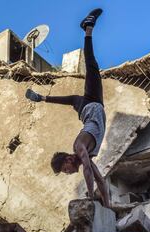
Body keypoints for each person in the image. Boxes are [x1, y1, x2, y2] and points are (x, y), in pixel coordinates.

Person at [25, 8, 110, 207]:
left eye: (65, 170)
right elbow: (100, 179)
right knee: (72, 98)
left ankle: (88, 27)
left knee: (91, 65)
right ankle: (41, 97)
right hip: (87, 107)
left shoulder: (79, 147)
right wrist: (108, 206)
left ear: (68, 161)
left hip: (90, 105)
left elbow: (88, 172)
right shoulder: (86, 155)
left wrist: (89, 195)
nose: (69, 173)